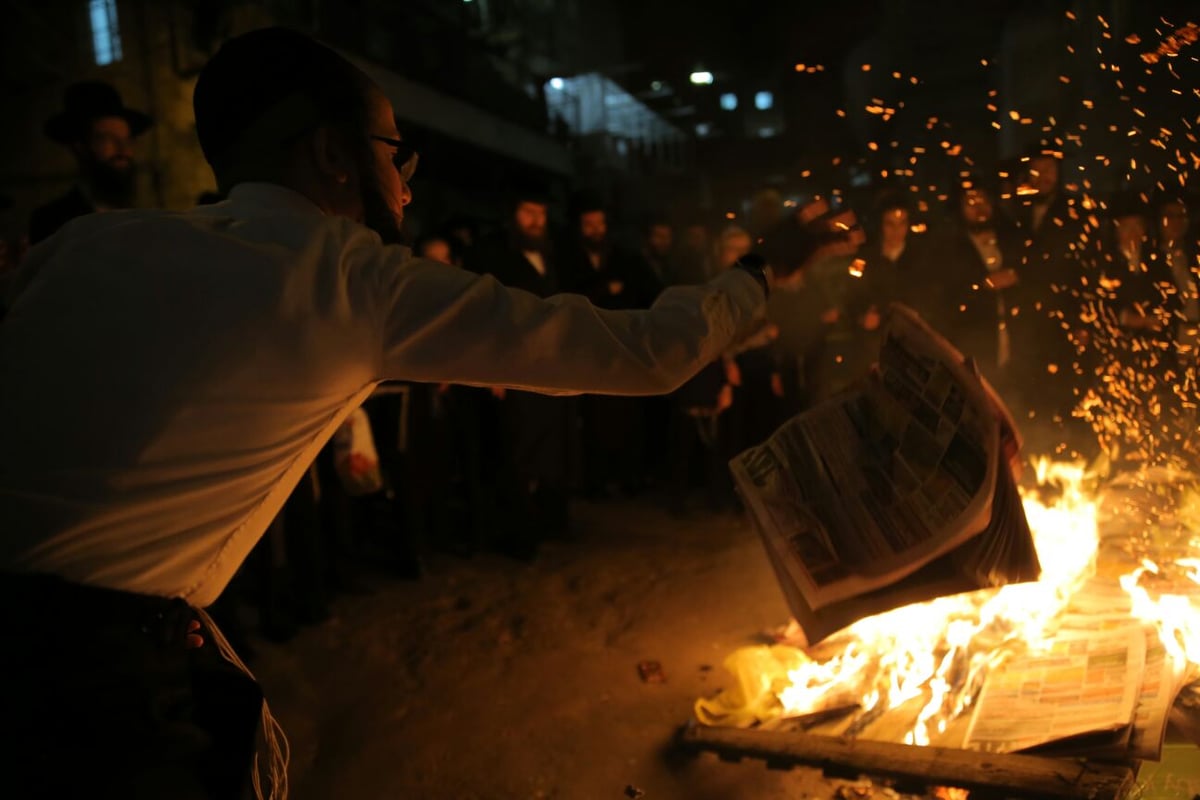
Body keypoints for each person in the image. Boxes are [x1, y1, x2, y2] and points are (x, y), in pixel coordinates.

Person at [0, 28, 859, 798]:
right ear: (336, 157)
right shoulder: (352, 280)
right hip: (97, 690)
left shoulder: (83, 246)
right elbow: (643, 352)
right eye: (395, 152)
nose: (409, 181)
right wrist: (763, 267)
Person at [28, 81, 153, 244]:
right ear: (79, 146)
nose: (123, 150)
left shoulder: (143, 216)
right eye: (108, 138)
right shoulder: (52, 222)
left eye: (127, 139)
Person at [935, 184, 1020, 384]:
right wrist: (982, 286)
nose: (979, 208)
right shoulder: (950, 246)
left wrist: (1016, 276)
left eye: (983, 201)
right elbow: (945, 295)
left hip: (1015, 343)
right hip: (974, 344)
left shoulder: (1010, 237)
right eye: (971, 203)